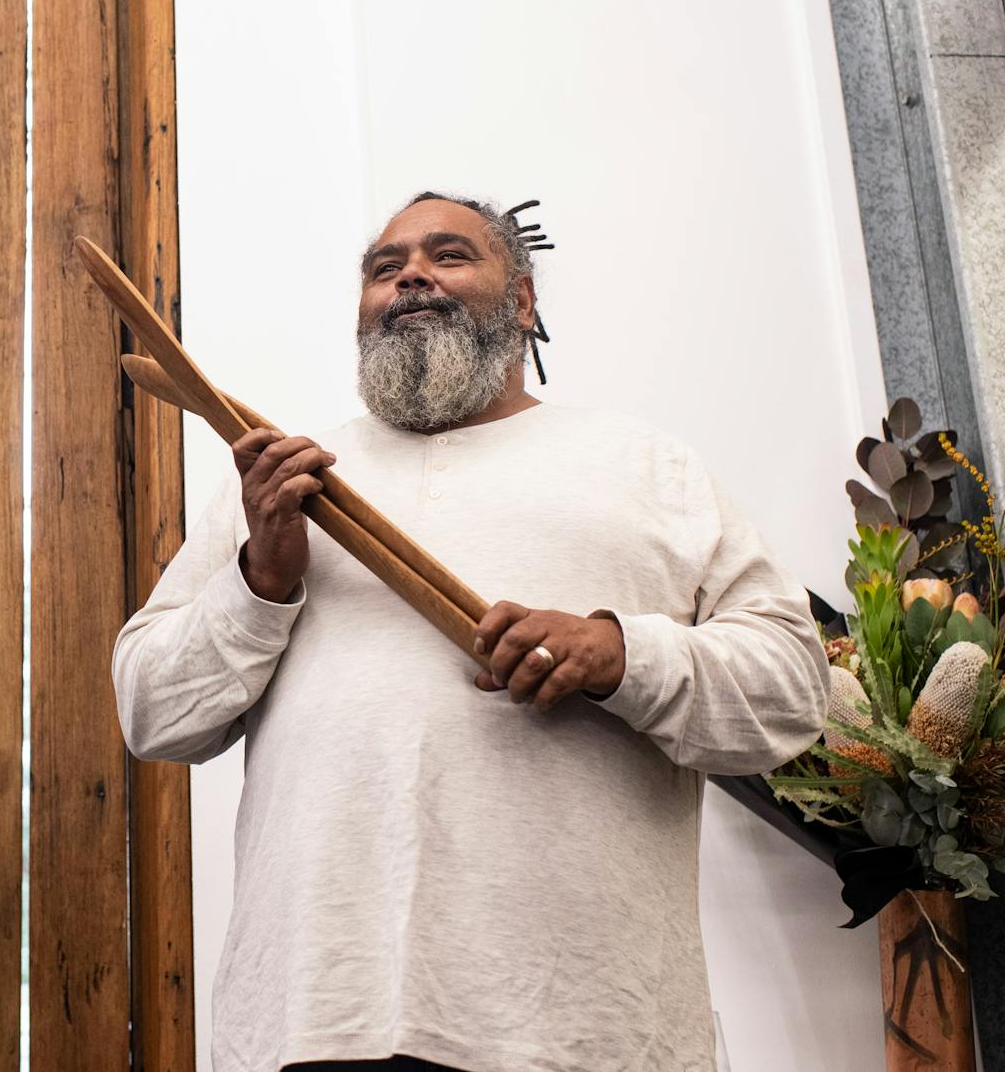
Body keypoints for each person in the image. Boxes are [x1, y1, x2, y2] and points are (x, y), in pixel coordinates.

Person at [112, 193, 830, 1072]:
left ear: (522, 302)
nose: (410, 273)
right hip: (317, 1020)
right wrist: (261, 577)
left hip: (581, 1026)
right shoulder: (279, 481)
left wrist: (621, 655)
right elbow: (153, 714)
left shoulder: (645, 465)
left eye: (449, 255)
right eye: (385, 267)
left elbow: (794, 691)